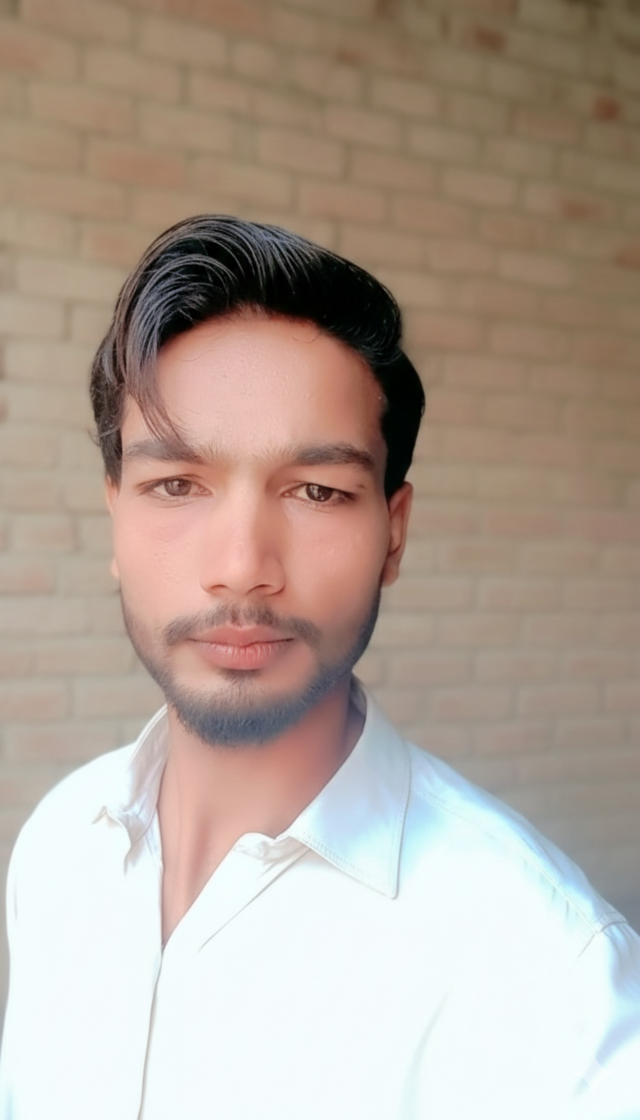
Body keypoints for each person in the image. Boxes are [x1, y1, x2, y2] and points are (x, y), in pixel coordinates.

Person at [1, 215, 639, 1120]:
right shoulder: (59, 846)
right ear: (116, 515)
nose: (241, 566)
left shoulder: (551, 987)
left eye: (317, 491)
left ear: (394, 534)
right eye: (176, 484)